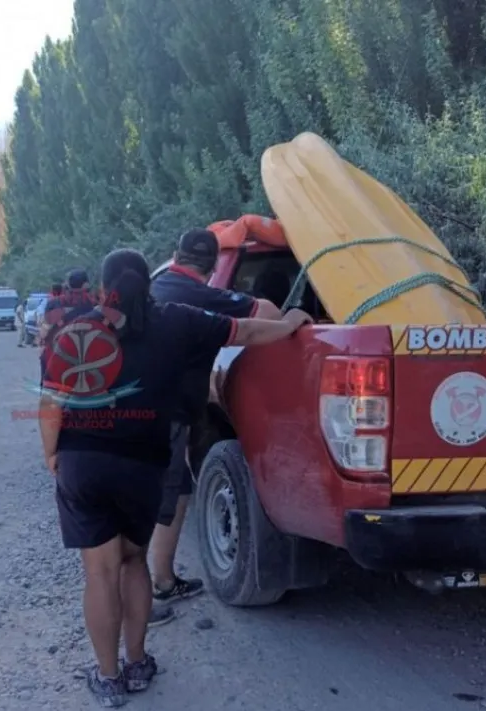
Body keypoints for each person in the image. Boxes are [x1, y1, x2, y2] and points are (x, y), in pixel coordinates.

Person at [39, 248, 312, 707]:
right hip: (145, 463)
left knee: (100, 573)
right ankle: (137, 663)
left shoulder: (77, 329)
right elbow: (245, 330)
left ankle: (107, 678)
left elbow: (51, 402)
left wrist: (51, 453)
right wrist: (288, 325)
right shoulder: (179, 320)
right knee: (133, 562)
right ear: (150, 282)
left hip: (84, 462)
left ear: (103, 287)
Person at [145, 228, 286, 621]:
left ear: (176, 256)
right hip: (167, 414)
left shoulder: (156, 286)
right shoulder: (203, 296)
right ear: (211, 270)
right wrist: (293, 318)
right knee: (161, 496)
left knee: (173, 491)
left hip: (139, 409)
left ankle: (160, 580)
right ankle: (144, 594)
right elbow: (266, 317)